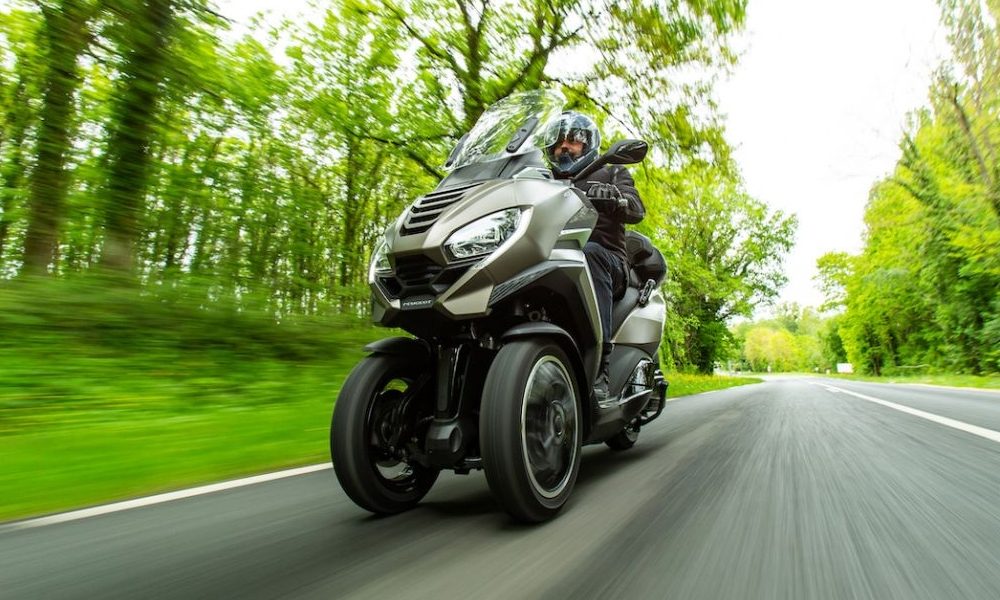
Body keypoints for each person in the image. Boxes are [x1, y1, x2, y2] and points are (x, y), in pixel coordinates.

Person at [543, 110, 645, 402]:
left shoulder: (610, 172)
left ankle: (600, 366)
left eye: (572, 140)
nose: (564, 146)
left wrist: (615, 198)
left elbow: (637, 208)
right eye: (558, 142)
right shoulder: (541, 179)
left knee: (588, 254)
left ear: (588, 144)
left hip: (607, 261)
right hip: (548, 259)